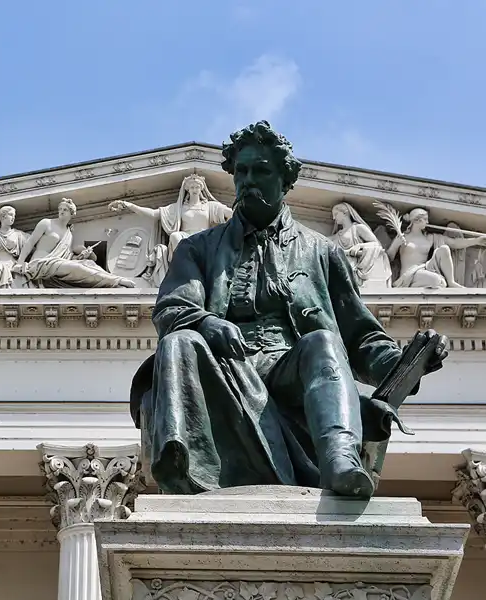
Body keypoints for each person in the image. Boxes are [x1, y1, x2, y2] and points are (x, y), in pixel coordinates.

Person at [129, 121, 448, 498]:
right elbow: (173, 307)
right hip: (224, 369)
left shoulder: (321, 251)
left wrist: (405, 366)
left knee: (324, 342)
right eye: (241, 172)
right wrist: (208, 323)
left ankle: (340, 461)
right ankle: (182, 470)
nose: (248, 180)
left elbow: (360, 337)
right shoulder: (198, 248)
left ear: (285, 181)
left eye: (260, 170)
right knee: (179, 341)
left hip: (292, 371)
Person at [109, 174, 232, 285]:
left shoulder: (211, 206)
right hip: (186, 238)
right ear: (187, 190)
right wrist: (129, 205)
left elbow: (231, 213)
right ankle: (186, 269)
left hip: (204, 239)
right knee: (175, 236)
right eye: (192, 187)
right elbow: (153, 214)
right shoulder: (178, 208)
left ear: (201, 189)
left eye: (197, 187)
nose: (195, 190)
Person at [16, 198, 136, 288]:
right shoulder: (46, 223)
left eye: (65, 210)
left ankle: (111, 281)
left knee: (88, 263)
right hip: (41, 264)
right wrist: (19, 263)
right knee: (77, 267)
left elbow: (66, 257)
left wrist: (81, 256)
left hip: (57, 264)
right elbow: (30, 242)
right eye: (60, 209)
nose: (61, 212)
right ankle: (116, 281)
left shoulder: (69, 234)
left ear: (71, 214)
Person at [388, 207, 486, 288]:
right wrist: (395, 245)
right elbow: (388, 257)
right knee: (438, 282)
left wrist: (476, 241)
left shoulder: (430, 238)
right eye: (425, 219)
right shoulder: (403, 238)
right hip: (408, 275)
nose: (427, 222)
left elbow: (455, 243)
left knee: (444, 249)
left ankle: (451, 282)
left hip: (424, 269)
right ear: (417, 220)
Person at [329, 202, 392, 288]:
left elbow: (376, 244)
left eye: (336, 214)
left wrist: (360, 246)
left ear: (345, 212)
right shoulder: (337, 235)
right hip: (343, 264)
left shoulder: (358, 228)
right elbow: (326, 241)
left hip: (354, 266)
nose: (333, 218)